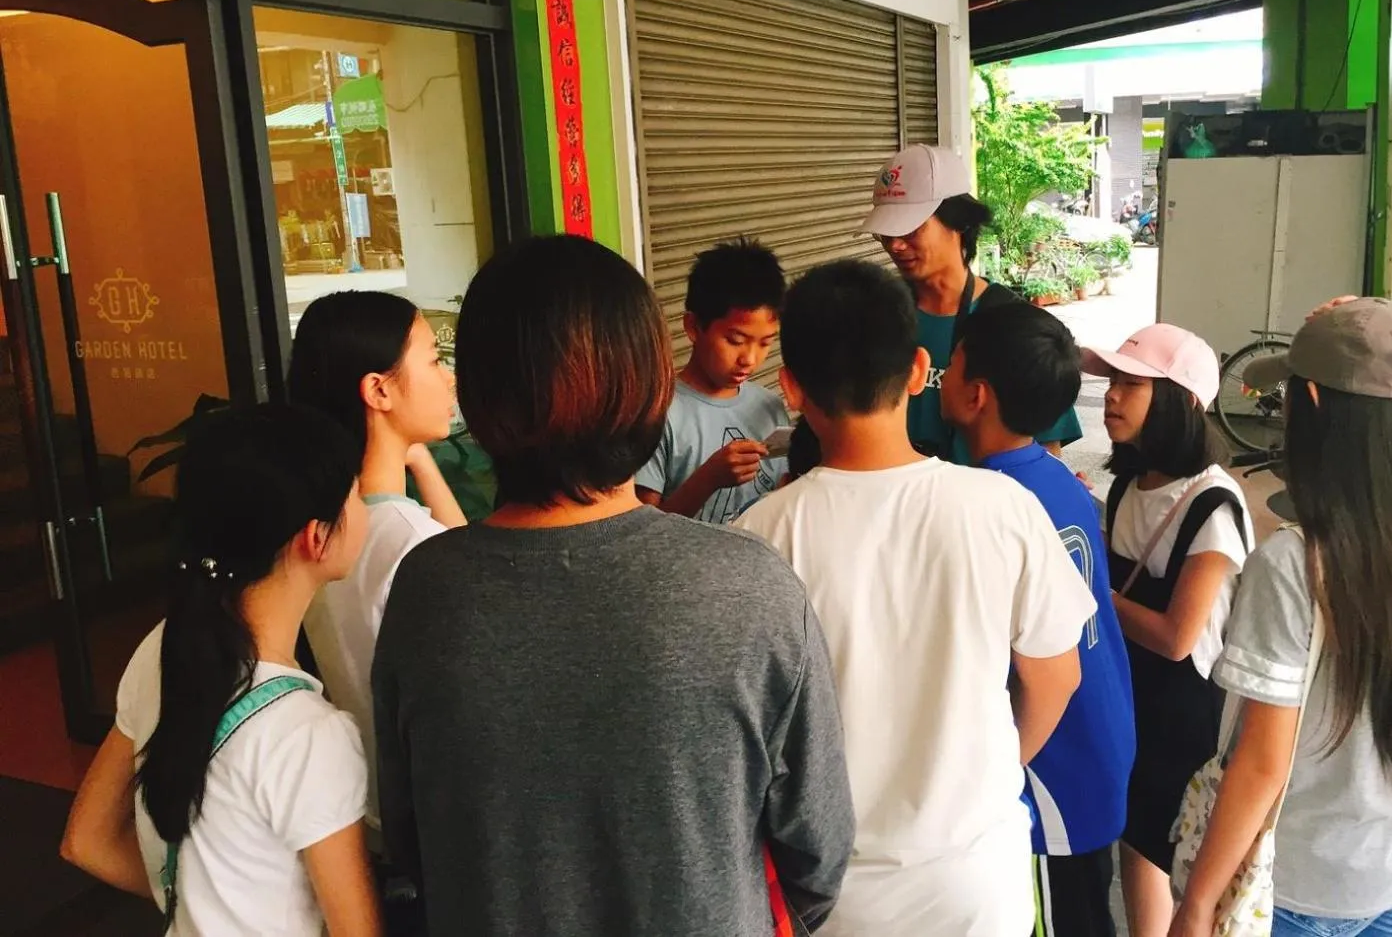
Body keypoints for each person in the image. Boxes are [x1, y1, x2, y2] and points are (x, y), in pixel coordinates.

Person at [372, 235, 854, 937]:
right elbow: (818, 849)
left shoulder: (429, 590)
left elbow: (412, 834)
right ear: (652, 383)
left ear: (477, 397)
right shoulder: (747, 585)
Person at [735, 259, 1096, 937]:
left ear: (789, 387)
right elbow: (1058, 675)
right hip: (978, 884)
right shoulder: (1002, 508)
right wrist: (986, 772)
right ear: (918, 368)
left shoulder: (755, 541)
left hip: (835, 898)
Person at [1170, 299, 1392, 937]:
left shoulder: (1295, 563)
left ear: (1308, 403)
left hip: (1309, 886)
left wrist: (1199, 903)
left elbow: (1261, 762)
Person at [61, 405, 380, 936]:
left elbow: (86, 841)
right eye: (355, 492)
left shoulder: (163, 648)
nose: (365, 505)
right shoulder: (307, 735)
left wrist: (198, 905)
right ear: (315, 538)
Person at [942, 301, 1136, 937]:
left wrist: (997, 776)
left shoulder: (990, 502)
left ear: (976, 395)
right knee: (1085, 908)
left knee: (1060, 917)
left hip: (1052, 759)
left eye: (951, 366)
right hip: (1099, 736)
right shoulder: (1055, 475)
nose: (941, 377)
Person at [1080, 324, 1252, 937]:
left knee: (1180, 853)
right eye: (1113, 382)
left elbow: (1179, 635)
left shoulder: (1212, 504)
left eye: (1132, 384)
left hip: (1186, 715)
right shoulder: (1127, 482)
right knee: (1138, 841)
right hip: (1132, 695)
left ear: (1179, 401)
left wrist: (1091, 588)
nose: (1112, 397)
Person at [287, 290, 464, 834]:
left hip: (365, 810)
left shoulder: (317, 529)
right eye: (434, 359)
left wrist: (413, 455)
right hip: (431, 816)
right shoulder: (413, 544)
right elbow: (475, 573)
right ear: (379, 390)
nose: (450, 377)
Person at [862, 144, 1082, 461]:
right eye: (886, 232)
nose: (895, 245)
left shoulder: (1014, 324)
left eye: (911, 229)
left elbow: (1046, 451)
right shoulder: (876, 315)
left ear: (960, 222)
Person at [636, 237, 790, 523]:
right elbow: (643, 529)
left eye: (765, 343)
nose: (750, 358)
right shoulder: (658, 413)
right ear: (693, 326)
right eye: (735, 340)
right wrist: (707, 479)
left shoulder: (770, 407)